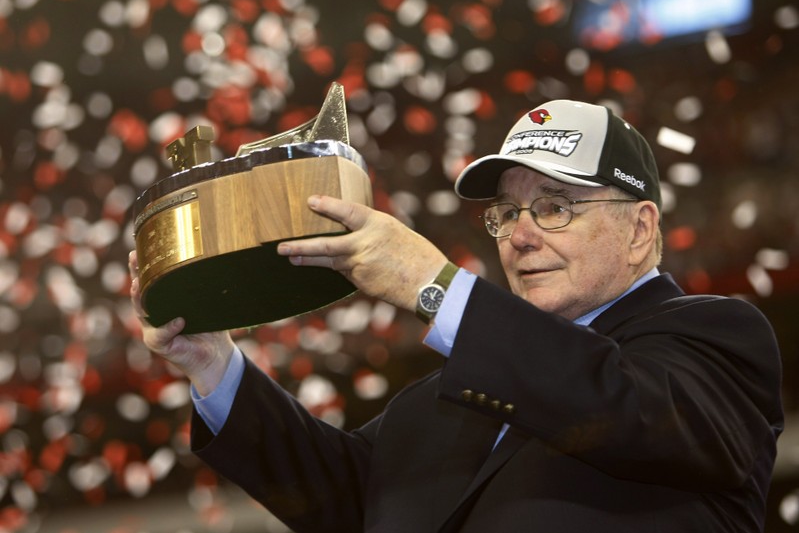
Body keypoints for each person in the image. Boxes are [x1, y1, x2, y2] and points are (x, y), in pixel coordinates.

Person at [129, 99, 783, 532]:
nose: (519, 236)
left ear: (639, 229)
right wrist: (215, 366)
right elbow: (345, 494)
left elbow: (614, 404)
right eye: (505, 213)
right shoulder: (448, 395)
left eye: (554, 207)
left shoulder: (715, 339)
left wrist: (433, 284)